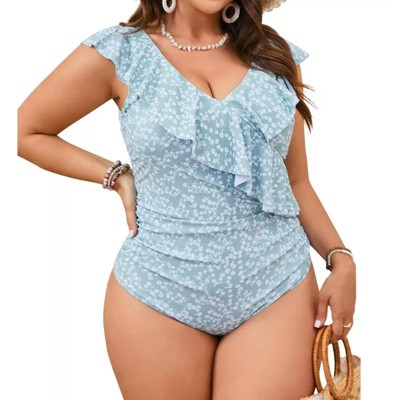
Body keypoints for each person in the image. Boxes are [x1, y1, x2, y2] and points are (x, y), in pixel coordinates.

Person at [17, 1, 357, 399]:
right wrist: (116, 176)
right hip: (158, 291)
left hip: (276, 287)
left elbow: (296, 182)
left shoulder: (273, 56)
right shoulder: (120, 53)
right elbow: (25, 131)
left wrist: (341, 258)